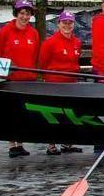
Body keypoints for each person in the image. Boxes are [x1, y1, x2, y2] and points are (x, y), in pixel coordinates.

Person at [0, 0, 40, 157]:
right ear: (16, 14)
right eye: (22, 13)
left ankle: (20, 143)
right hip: (11, 79)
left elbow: (36, 55)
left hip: (29, 79)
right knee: (10, 113)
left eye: (27, 14)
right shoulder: (5, 31)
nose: (25, 17)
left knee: (23, 113)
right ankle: (12, 144)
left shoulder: (33, 33)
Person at [36, 10, 85, 155]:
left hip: (72, 83)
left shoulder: (77, 42)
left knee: (69, 114)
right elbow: (42, 64)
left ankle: (67, 143)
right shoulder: (50, 43)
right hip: (55, 84)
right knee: (53, 115)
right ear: (59, 24)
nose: (67, 26)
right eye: (64, 23)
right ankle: (51, 145)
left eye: (70, 23)